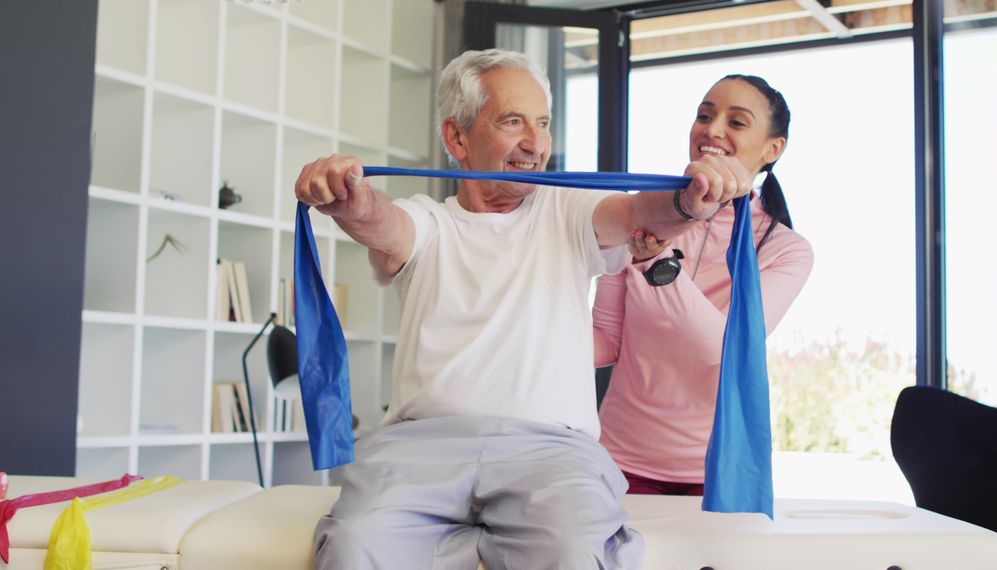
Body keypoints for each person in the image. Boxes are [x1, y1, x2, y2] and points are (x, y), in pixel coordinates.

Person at [294, 49, 753, 569]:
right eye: (513, 122)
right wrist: (348, 197)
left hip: (551, 454)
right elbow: (381, 223)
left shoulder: (568, 208)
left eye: (543, 124)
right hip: (419, 449)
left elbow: (638, 212)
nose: (535, 145)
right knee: (354, 544)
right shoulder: (427, 222)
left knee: (576, 552)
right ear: (457, 138)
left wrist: (692, 202)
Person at [593, 74, 814, 496]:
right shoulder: (642, 214)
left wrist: (656, 261)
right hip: (617, 464)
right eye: (704, 115)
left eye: (737, 122)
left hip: (717, 472)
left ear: (772, 149)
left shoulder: (786, 251)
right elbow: (606, 341)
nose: (712, 130)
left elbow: (721, 347)